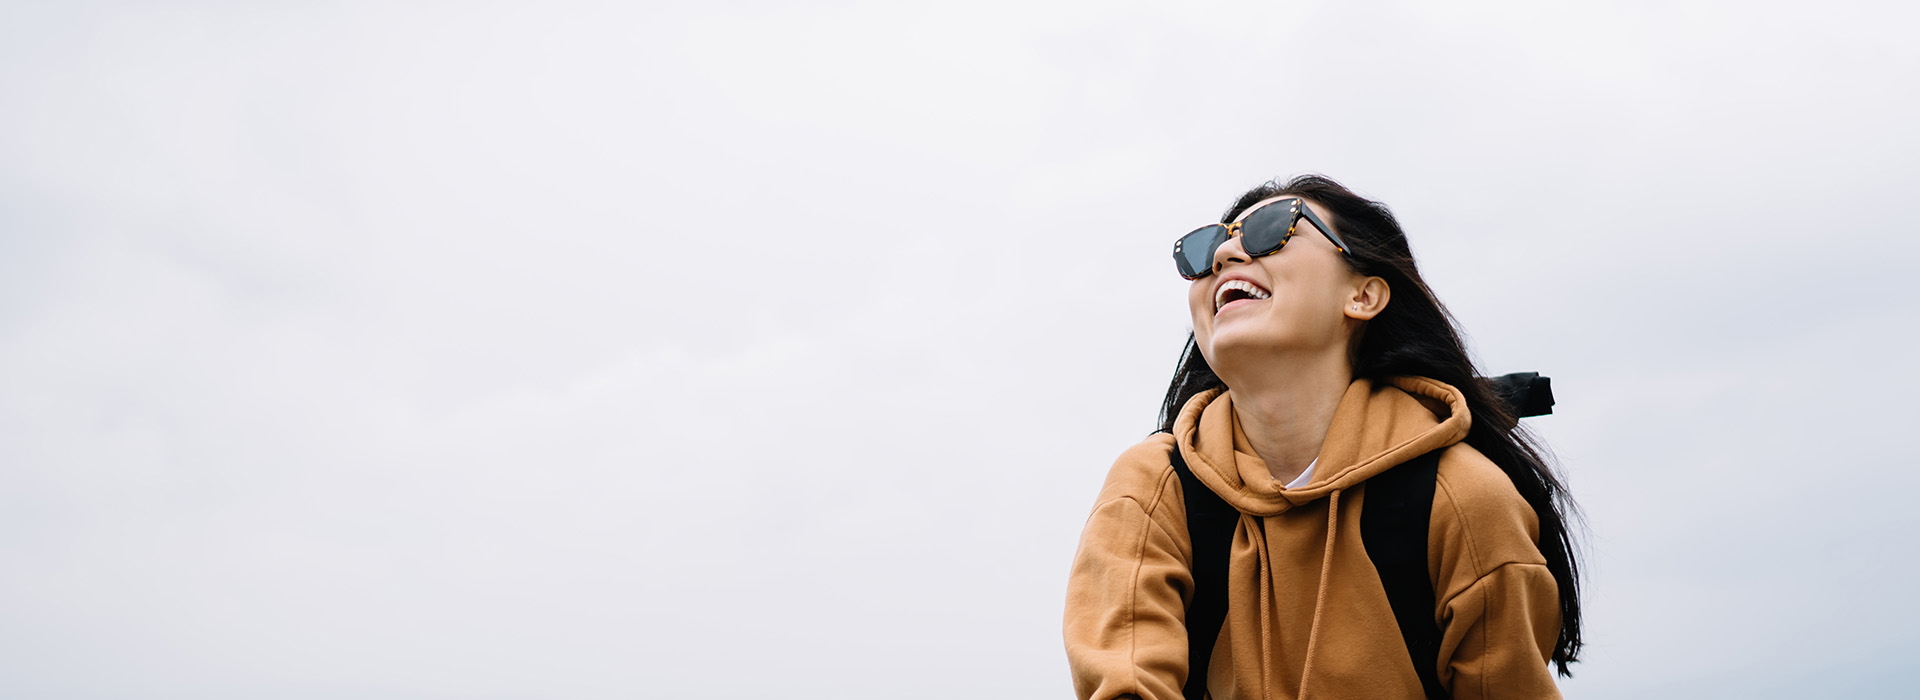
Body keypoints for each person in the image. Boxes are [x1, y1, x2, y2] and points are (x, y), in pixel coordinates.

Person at [1063, 175, 1582, 700]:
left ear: (1363, 295)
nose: (1223, 255)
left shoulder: (1464, 496)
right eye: (1206, 249)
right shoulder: (1153, 487)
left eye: (1271, 228)